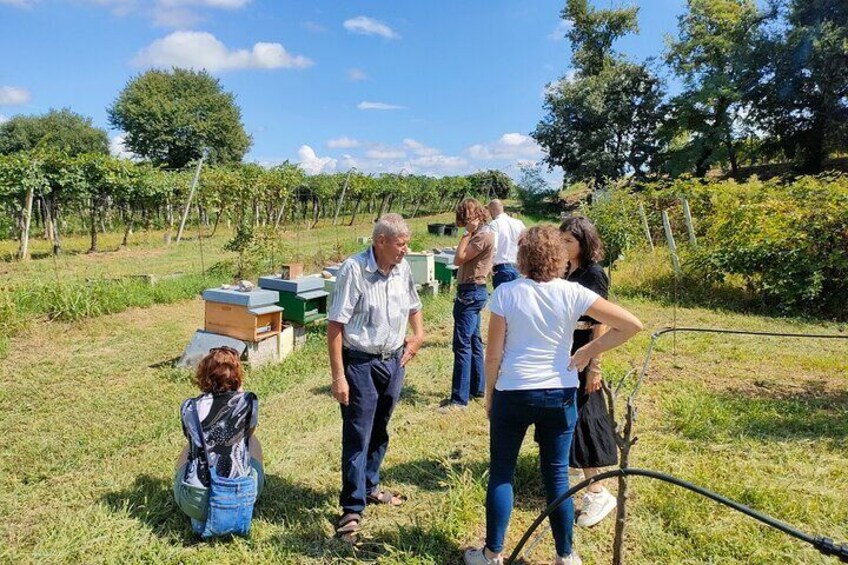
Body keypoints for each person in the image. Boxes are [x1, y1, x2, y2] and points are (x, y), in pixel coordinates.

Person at [464, 225, 643, 565]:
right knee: (557, 474)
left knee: (503, 472)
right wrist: (589, 351)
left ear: (522, 257)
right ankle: (566, 555)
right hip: (559, 394)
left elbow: (492, 354)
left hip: (513, 391)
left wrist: (489, 394)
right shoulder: (572, 293)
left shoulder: (506, 293)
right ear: (559, 257)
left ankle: (492, 554)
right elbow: (631, 324)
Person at [327, 213, 425, 538]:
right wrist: (339, 376)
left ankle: (370, 485)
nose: (405, 250)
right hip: (360, 364)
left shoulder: (402, 269)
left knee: (380, 428)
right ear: (380, 241)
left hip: (393, 361)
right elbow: (335, 326)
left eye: (407, 244)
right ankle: (352, 508)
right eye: (401, 244)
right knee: (357, 434)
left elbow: (414, 304)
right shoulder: (354, 270)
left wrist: (419, 335)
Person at [560, 215, 619, 528]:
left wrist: (595, 363)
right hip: (567, 350)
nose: (564, 245)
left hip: (584, 351)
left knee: (584, 415)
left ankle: (597, 491)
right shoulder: (569, 270)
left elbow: (601, 321)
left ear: (584, 242)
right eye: (563, 240)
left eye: (570, 241)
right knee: (572, 414)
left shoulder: (593, 274)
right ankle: (580, 476)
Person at [173, 346, 264, 537]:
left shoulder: (190, 407)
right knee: (253, 442)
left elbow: (190, 437)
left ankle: (200, 518)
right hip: (241, 493)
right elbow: (248, 433)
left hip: (196, 500)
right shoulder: (248, 401)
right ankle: (233, 512)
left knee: (189, 447)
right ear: (237, 376)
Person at [443, 198, 495, 411]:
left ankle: (459, 399)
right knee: (473, 341)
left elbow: (459, 258)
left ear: (475, 216)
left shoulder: (480, 236)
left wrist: (466, 235)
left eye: (466, 220)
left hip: (470, 292)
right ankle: (477, 387)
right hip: (474, 291)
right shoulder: (483, 234)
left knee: (461, 345)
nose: (464, 225)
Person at [486, 199, 526, 289]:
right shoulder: (519, 223)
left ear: (492, 210)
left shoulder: (494, 224)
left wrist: (489, 264)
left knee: (502, 301)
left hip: (502, 268)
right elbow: (526, 244)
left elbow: (493, 246)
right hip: (518, 268)